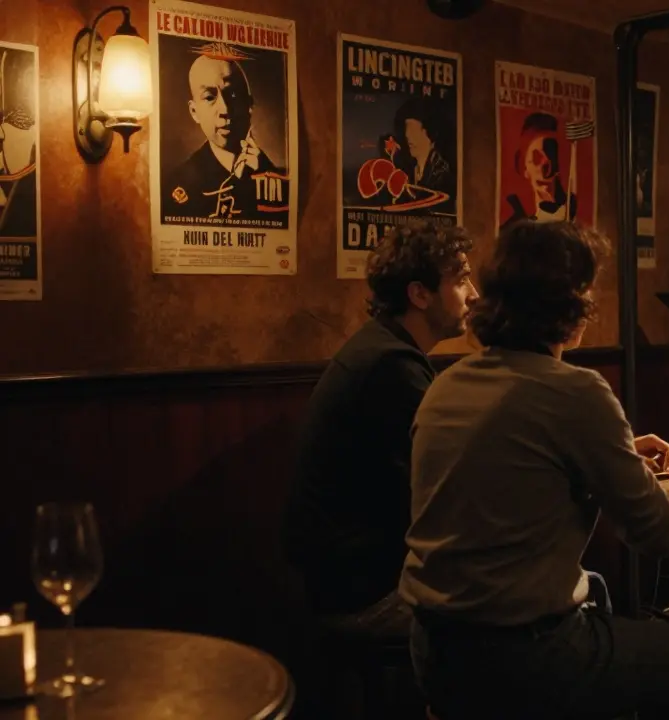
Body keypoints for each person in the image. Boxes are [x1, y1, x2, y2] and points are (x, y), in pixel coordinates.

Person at [401, 220, 669, 719]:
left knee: (599, 598)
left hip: (434, 650)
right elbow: (660, 532)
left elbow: (513, 468)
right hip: (526, 657)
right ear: (573, 306)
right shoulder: (576, 391)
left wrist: (611, 454)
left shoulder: (446, 384)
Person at [284, 221, 477, 642]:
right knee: (515, 616)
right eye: (461, 279)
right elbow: (439, 490)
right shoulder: (392, 367)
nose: (474, 294)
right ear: (419, 294)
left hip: (344, 580)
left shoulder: (384, 350)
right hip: (363, 596)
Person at [160, 49, 285, 223]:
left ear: (249, 105)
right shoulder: (178, 184)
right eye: (210, 97)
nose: (225, 110)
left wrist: (265, 171)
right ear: (194, 112)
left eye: (233, 95)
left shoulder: (277, 179)